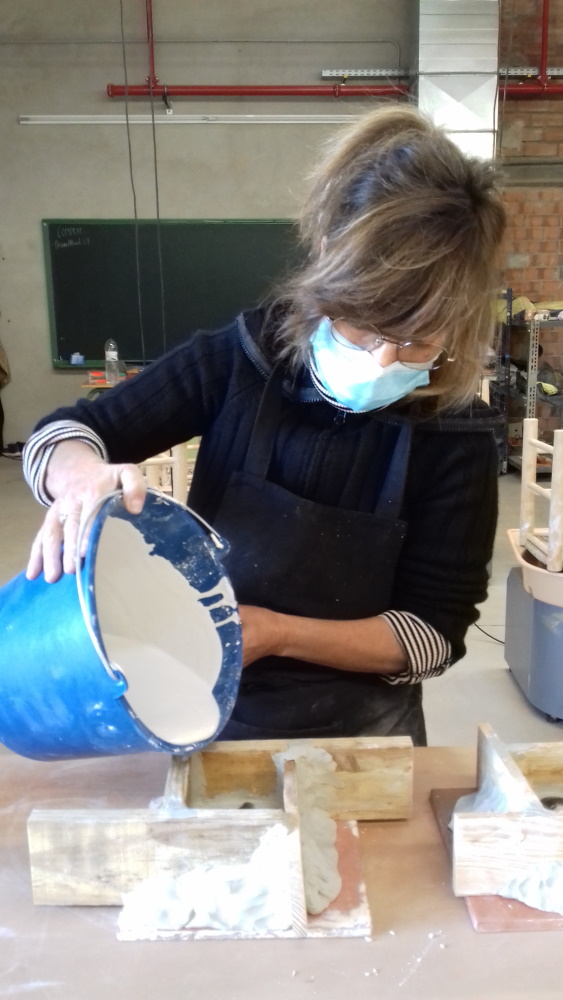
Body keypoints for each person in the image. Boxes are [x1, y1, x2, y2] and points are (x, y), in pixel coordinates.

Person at [23, 104, 506, 746]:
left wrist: (277, 632)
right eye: (363, 325)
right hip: (205, 695)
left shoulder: (457, 435)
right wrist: (79, 476)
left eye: (418, 342)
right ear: (329, 261)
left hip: (366, 730)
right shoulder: (246, 358)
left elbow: (432, 636)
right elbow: (61, 436)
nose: (383, 361)